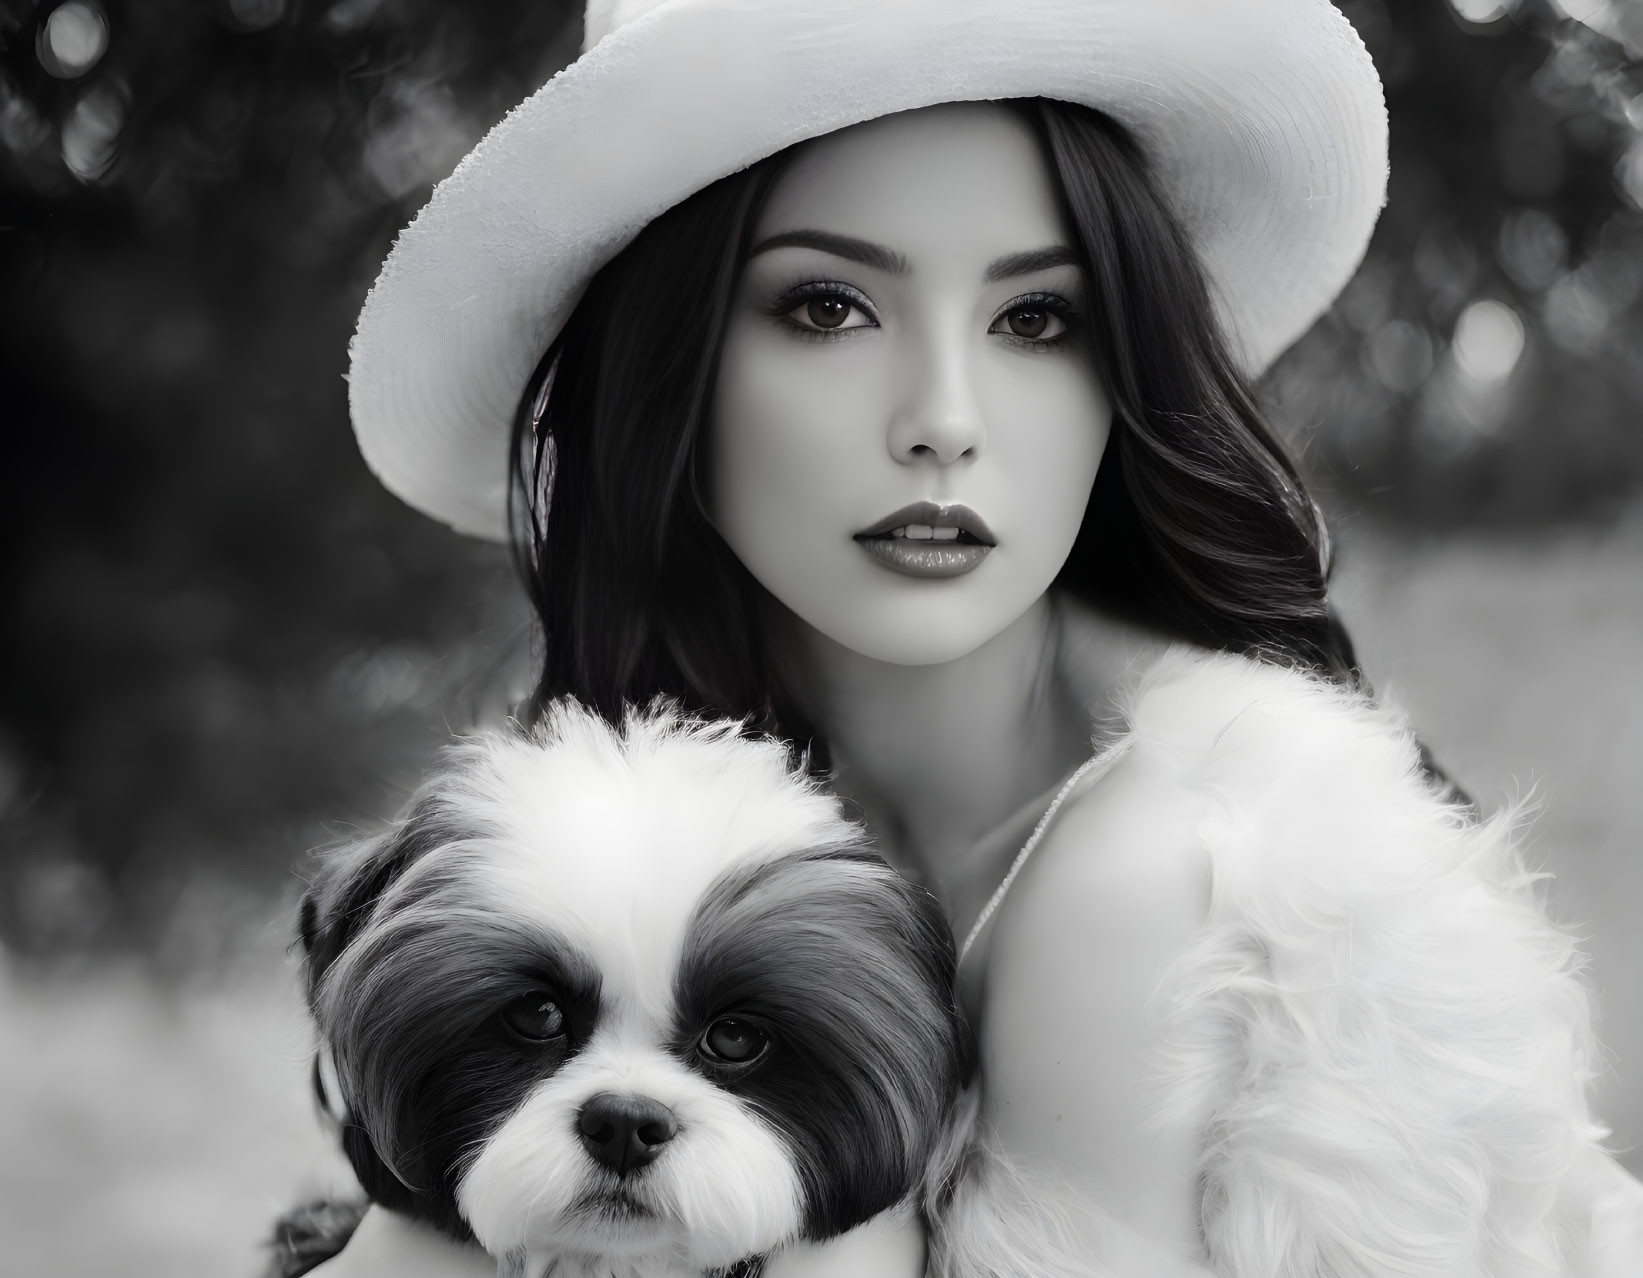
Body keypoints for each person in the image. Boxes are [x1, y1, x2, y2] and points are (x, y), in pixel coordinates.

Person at [310, 1, 1643, 1274]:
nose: (944, 416)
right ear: (668, 368)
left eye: (1036, 318)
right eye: (828, 307)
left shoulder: (1153, 869)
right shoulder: (666, 813)